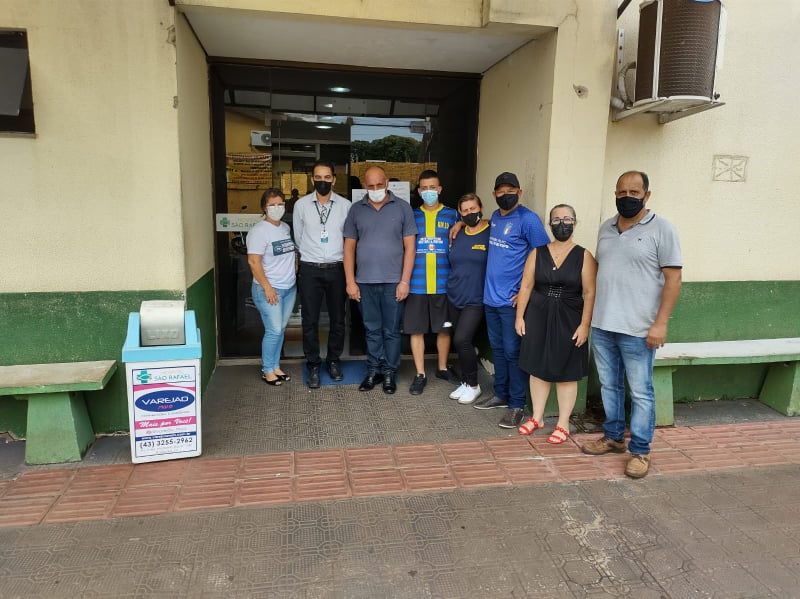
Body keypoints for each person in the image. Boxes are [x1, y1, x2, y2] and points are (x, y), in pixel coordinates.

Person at [581, 171, 682, 478]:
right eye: (621, 192)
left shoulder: (663, 229)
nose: (627, 197)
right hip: (603, 324)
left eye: (634, 192)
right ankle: (613, 437)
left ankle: (640, 450)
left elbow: (674, 279)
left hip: (639, 329)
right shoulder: (606, 228)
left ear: (646, 195)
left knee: (640, 392)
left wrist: (660, 324)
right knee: (609, 386)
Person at [469, 172, 550, 428]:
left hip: (512, 303)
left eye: (511, 191)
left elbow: (543, 256)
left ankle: (517, 405)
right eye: (501, 191)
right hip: (491, 299)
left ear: (519, 192)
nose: (506, 195)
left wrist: (528, 290)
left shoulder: (528, 220)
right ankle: (501, 394)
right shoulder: (495, 217)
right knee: (499, 350)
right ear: (494, 194)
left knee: (513, 352)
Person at [515, 204, 597, 443]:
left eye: (567, 219)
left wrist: (585, 325)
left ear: (575, 223)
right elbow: (526, 286)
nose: (562, 223)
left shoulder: (584, 255)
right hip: (538, 314)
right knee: (536, 367)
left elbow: (590, 292)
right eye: (557, 219)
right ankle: (537, 417)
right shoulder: (537, 253)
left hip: (570, 317)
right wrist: (520, 316)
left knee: (566, 371)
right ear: (550, 224)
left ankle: (563, 423)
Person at [343, 166, 417, 394]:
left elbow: (410, 247)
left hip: (394, 282)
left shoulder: (402, 207)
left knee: (391, 331)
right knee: (371, 329)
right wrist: (350, 282)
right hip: (364, 282)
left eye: (379, 184)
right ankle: (373, 370)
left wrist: (405, 281)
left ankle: (389, 373)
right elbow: (348, 248)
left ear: (386, 183)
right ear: (364, 186)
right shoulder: (356, 210)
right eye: (370, 186)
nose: (375, 189)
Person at [293, 160, 352, 388]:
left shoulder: (346, 206)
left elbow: (349, 239)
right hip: (310, 269)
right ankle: (313, 364)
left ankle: (334, 360)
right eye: (318, 177)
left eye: (327, 177)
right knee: (310, 320)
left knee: (338, 319)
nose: (323, 181)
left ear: (334, 179)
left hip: (337, 268)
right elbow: (299, 237)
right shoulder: (301, 205)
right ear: (312, 179)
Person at [406, 170, 459, 395]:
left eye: (432, 188)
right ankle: (420, 374)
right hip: (416, 283)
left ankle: (442, 368)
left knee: (444, 329)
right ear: (419, 191)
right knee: (416, 330)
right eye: (424, 188)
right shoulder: (411, 216)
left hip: (443, 283)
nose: (429, 192)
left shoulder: (453, 215)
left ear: (439, 189)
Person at [246, 188, 297, 386]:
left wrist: (294, 263)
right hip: (269, 289)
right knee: (274, 330)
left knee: (281, 329)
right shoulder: (259, 231)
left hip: (289, 288)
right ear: (264, 208)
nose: (277, 208)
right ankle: (267, 369)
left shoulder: (285, 227)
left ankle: (275, 366)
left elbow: (289, 250)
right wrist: (267, 287)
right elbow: (253, 262)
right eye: (272, 205)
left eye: (280, 204)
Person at [447, 193, 490, 405]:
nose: (470, 213)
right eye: (465, 210)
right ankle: (465, 381)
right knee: (463, 342)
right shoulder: (458, 233)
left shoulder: (490, 232)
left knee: (461, 340)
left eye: (473, 209)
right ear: (460, 213)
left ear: (481, 208)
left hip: (476, 297)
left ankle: (474, 385)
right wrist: (460, 223)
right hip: (455, 295)